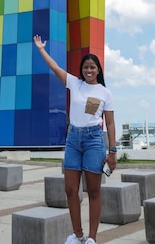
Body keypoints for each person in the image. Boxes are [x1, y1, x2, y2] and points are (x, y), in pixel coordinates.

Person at [33, 34, 117, 244]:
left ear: (98, 70)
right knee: (70, 190)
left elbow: (110, 124)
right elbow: (55, 67)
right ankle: (77, 235)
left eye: (92, 67)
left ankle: (92, 238)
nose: (89, 70)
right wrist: (41, 49)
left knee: (94, 191)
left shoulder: (105, 93)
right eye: (85, 67)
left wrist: (113, 151)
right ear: (82, 70)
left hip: (94, 141)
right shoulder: (75, 83)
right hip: (73, 140)